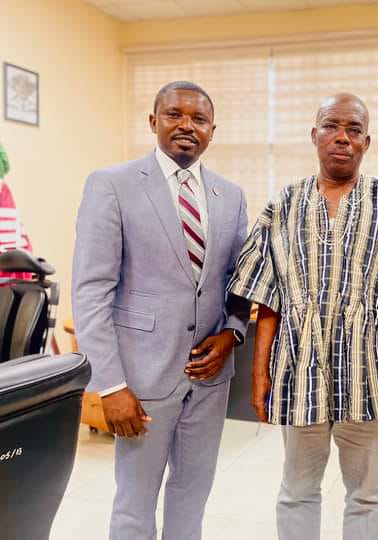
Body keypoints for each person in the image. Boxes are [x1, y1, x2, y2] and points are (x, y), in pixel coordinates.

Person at [227, 93, 378, 540]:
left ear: (367, 142)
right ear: (315, 135)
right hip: (298, 371)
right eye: (331, 126)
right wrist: (259, 372)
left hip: (369, 373)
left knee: (366, 493)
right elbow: (267, 298)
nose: (342, 137)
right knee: (297, 489)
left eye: (353, 129)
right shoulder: (282, 206)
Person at [72, 81, 250, 540]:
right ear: (154, 121)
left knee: (193, 494)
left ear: (213, 130)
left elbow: (239, 283)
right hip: (140, 379)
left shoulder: (230, 197)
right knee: (135, 502)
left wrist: (232, 333)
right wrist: (110, 386)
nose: (187, 126)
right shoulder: (112, 184)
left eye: (199, 119)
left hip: (209, 380)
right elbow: (91, 291)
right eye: (174, 115)